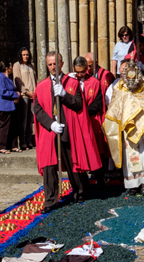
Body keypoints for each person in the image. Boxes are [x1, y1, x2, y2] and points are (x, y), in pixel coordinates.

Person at [33, 52, 101, 212]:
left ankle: (80, 192)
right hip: (50, 130)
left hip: (67, 129)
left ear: (62, 63)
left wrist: (64, 95)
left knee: (72, 163)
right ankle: (50, 202)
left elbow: (79, 104)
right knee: (49, 167)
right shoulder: (41, 86)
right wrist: (50, 124)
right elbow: (37, 108)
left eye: (55, 64)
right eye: (49, 64)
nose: (52, 67)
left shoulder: (72, 82)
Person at [104, 60, 144, 195]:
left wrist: (137, 102)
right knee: (131, 154)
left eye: (129, 70)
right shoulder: (119, 86)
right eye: (123, 71)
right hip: (128, 124)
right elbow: (115, 104)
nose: (127, 73)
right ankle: (132, 184)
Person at [73, 56, 107, 191]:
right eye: (77, 72)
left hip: (92, 121)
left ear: (87, 69)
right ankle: (82, 184)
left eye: (82, 72)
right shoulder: (70, 81)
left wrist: (83, 112)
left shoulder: (94, 82)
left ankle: (100, 181)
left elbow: (98, 103)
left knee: (96, 151)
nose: (80, 75)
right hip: (77, 123)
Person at [13, 47, 37, 151]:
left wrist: (35, 92)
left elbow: (34, 80)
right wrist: (25, 92)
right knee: (23, 120)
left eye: (27, 54)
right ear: (20, 55)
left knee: (31, 120)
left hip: (33, 95)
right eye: (24, 55)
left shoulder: (31, 66)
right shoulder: (17, 65)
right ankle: (22, 142)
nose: (26, 56)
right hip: (24, 96)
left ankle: (29, 141)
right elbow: (17, 80)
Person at [0, 60, 20, 154]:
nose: (12, 68)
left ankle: (13, 146)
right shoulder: (0, 78)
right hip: (3, 106)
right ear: (6, 68)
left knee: (13, 126)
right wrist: (15, 94)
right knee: (4, 126)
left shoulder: (8, 78)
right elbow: (2, 92)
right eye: (10, 66)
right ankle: (1, 146)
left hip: (10, 106)